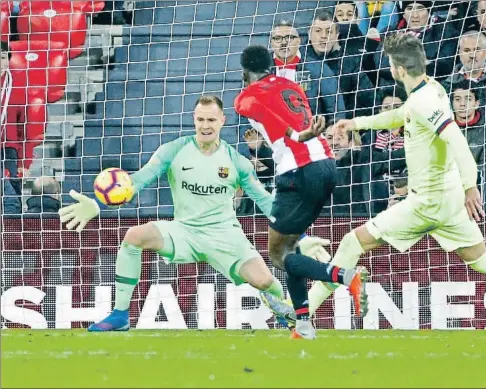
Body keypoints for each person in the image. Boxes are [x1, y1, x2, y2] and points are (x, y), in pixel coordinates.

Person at [307, 33, 486, 315]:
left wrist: (471, 186)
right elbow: (401, 115)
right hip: (448, 199)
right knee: (482, 259)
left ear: (396, 69)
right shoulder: (430, 89)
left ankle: (300, 311)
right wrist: (356, 123)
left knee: (352, 242)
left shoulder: (425, 102)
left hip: (427, 203)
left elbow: (457, 141)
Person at [58, 95, 332, 332]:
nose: (205, 126)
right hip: (184, 231)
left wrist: (301, 236)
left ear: (222, 121)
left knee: (265, 281)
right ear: (194, 119)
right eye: (200, 119)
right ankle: (119, 315)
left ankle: (284, 310)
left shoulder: (237, 163)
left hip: (225, 236)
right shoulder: (174, 150)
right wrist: (96, 204)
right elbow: (137, 180)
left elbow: (266, 202)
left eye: (211, 120)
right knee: (134, 236)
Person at [234, 45, 369, 340]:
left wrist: (295, 136)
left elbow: (266, 114)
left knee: (278, 254)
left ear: (244, 71)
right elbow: (287, 116)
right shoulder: (291, 84)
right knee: (290, 247)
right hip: (326, 165)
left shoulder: (246, 97)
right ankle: (303, 324)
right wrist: (299, 134)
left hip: (298, 171)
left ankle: (346, 276)